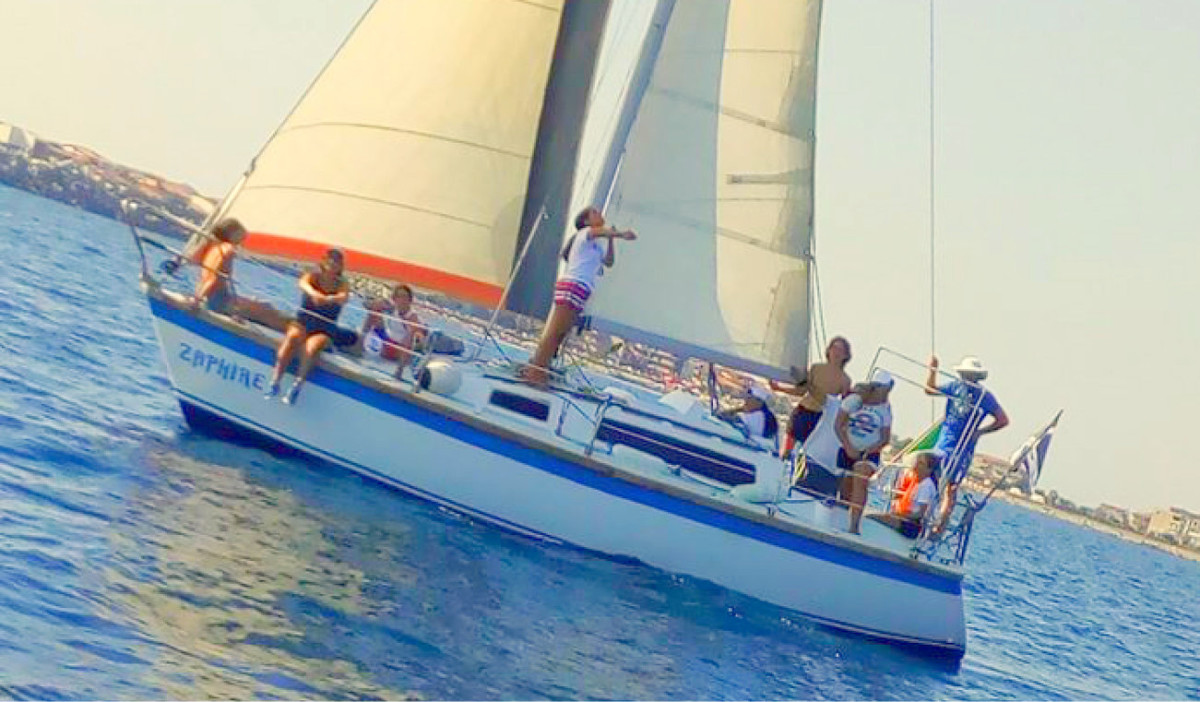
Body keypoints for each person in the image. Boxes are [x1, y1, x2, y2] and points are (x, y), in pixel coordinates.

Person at [521, 206, 636, 385]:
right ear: (586, 221)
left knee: (561, 333)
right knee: (555, 331)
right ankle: (536, 371)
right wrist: (620, 234)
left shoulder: (596, 245)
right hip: (572, 285)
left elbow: (609, 262)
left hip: (581, 289)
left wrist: (612, 239)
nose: (600, 214)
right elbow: (599, 231)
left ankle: (541, 367)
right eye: (595, 213)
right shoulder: (585, 234)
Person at [925, 355, 1009, 531]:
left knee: (951, 487)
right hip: (944, 443)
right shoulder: (955, 386)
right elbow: (929, 390)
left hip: (963, 449)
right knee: (932, 478)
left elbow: (1002, 420)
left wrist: (980, 432)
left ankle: (939, 526)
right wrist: (932, 369)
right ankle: (921, 516)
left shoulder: (985, 396)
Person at [266, 248, 357, 404]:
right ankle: (275, 380)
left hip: (324, 328)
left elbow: (343, 296)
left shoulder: (342, 284)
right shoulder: (313, 276)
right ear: (323, 261)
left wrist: (328, 299)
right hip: (303, 321)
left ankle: (297, 384)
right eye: (330, 259)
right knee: (292, 337)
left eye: (337, 261)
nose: (332, 263)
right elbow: (303, 284)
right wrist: (315, 294)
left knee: (311, 346)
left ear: (341, 266)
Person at [188, 218, 289, 331]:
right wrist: (197, 299)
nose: (244, 237)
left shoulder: (213, 246)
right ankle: (294, 334)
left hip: (213, 296)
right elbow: (213, 277)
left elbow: (196, 264)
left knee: (261, 305)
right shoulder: (227, 249)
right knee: (266, 309)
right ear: (233, 233)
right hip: (220, 301)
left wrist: (199, 296)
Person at [770, 336, 853, 458]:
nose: (836, 352)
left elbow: (841, 406)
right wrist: (779, 388)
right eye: (834, 348)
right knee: (787, 448)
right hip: (802, 411)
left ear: (846, 355)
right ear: (829, 350)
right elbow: (801, 390)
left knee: (805, 453)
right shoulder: (816, 368)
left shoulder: (845, 380)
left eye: (841, 350)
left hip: (819, 417)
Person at [834, 370, 895, 534]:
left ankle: (854, 526)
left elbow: (885, 438)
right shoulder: (854, 401)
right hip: (848, 447)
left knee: (860, 479)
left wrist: (868, 451)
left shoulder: (886, 409)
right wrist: (848, 446)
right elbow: (838, 425)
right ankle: (840, 518)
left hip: (869, 453)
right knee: (846, 486)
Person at [358, 283, 426, 377]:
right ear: (394, 299)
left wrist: (418, 334)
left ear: (410, 300)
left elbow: (419, 337)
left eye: (404, 297)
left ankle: (399, 370)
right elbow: (367, 304)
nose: (402, 300)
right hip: (388, 341)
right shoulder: (393, 308)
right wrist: (377, 304)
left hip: (400, 349)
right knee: (374, 313)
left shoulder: (413, 317)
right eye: (399, 296)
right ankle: (359, 345)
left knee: (410, 334)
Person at [869, 450, 939, 538]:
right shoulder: (916, 482)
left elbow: (920, 514)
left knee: (871, 516)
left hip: (913, 525)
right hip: (905, 518)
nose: (916, 464)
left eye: (921, 463)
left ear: (929, 469)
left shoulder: (926, 486)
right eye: (917, 461)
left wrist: (898, 515)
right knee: (874, 515)